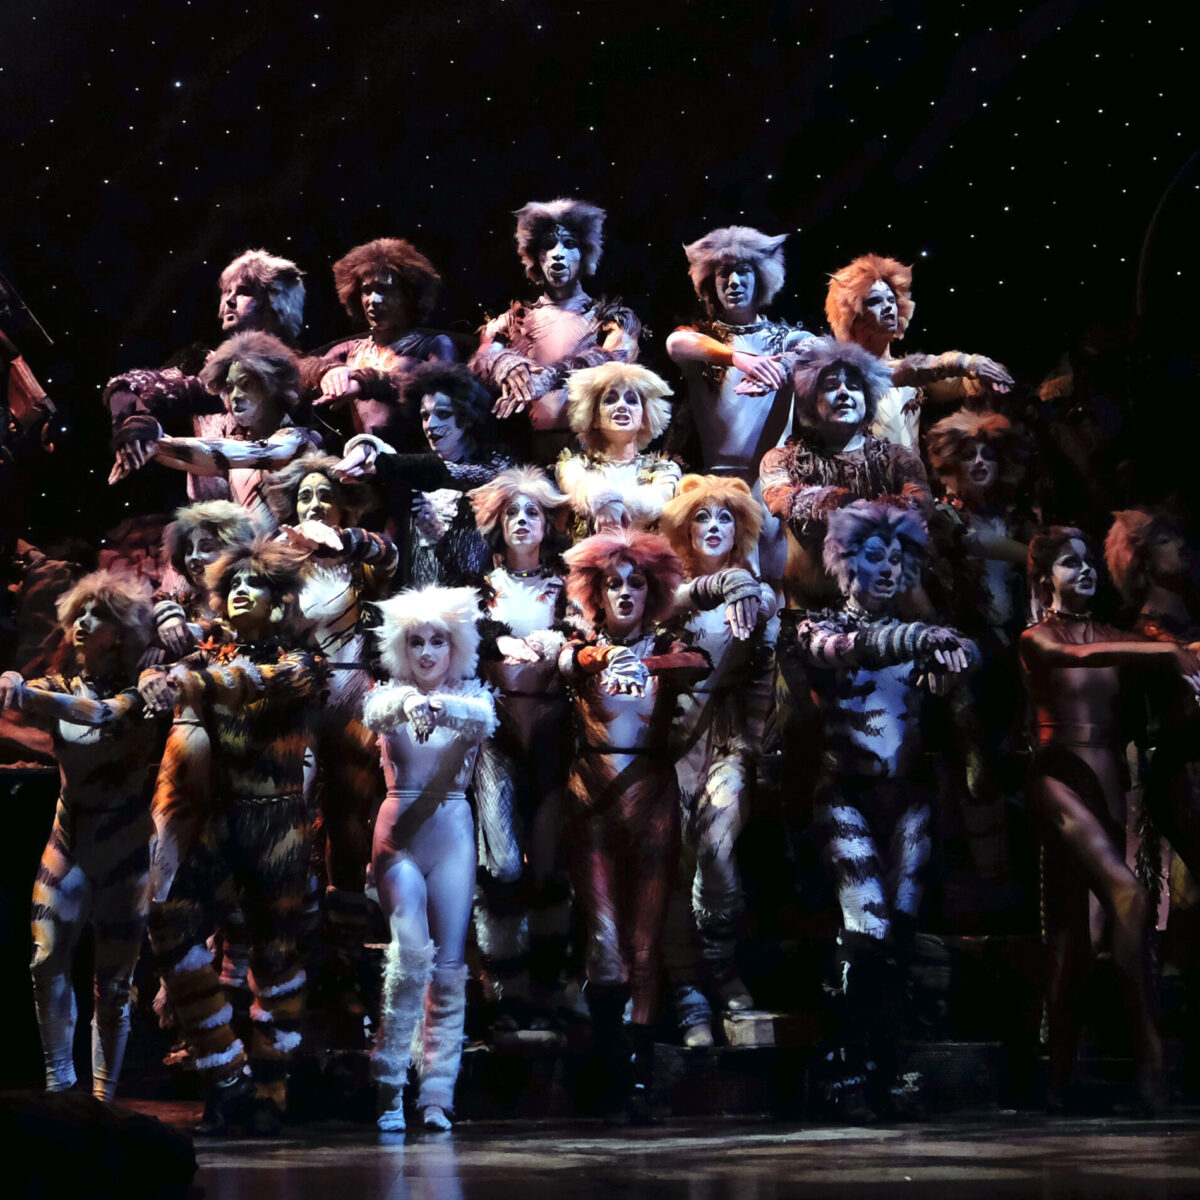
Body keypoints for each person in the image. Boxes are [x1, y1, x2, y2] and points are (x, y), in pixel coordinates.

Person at [791, 501, 977, 1119]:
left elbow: (969, 657)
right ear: (846, 563)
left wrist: (952, 659)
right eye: (875, 557)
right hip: (847, 795)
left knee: (898, 934)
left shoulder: (922, 635)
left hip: (910, 799)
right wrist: (923, 638)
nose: (889, 569)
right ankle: (842, 1067)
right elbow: (847, 649)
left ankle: (885, 1065)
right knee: (865, 928)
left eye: (897, 559)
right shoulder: (817, 626)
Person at [141, 539, 325, 1136]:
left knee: (275, 956)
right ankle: (226, 1075)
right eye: (234, 584)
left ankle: (271, 1093)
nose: (242, 591)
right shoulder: (205, 652)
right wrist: (157, 671)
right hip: (220, 822)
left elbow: (251, 681)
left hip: (278, 826)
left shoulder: (303, 660)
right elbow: (161, 663)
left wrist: (189, 682)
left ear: (280, 601)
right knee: (169, 924)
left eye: (256, 584)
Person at [1020, 526, 1200, 1113]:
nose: (1085, 570)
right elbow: (1079, 657)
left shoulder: (1120, 634)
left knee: (1078, 936)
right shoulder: (1037, 637)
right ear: (1045, 578)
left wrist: (1184, 652)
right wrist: (1165, 651)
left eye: (1088, 561)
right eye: (1069, 563)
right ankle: (1151, 1060)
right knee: (1129, 897)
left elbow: (1161, 656)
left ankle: (1058, 1075)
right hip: (1058, 776)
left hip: (1107, 780)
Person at [559, 529, 709, 1120]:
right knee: (604, 941)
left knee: (645, 944)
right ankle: (607, 1067)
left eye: (636, 584)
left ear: (654, 591)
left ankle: (639, 1072)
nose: (625, 593)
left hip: (652, 797)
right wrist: (601, 656)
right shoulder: (580, 641)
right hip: (591, 797)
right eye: (614, 584)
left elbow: (698, 663)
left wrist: (642, 661)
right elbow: (564, 661)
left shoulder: (669, 644)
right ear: (596, 592)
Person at [1, 571, 159, 1102]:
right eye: (80, 614)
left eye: (99, 616)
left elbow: (96, 714)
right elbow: (32, 695)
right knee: (45, 960)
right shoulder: (60, 683)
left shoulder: (141, 689)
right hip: (67, 840)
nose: (85, 623)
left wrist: (25, 692)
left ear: (121, 632)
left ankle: (103, 1101)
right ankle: (59, 1086)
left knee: (113, 984)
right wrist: (11, 677)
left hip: (125, 845)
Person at [263, 455, 398, 1006]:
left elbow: (390, 557)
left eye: (324, 495)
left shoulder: (360, 561)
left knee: (349, 816)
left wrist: (345, 540)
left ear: (343, 507)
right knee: (293, 808)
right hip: (301, 694)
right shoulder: (279, 562)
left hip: (353, 691)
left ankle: (347, 956)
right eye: (305, 496)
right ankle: (296, 942)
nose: (314, 505)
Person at [363, 585, 497, 1132]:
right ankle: (390, 1084)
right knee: (410, 955)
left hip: (452, 835)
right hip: (399, 835)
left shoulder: (474, 699)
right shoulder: (388, 696)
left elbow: (481, 719)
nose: (426, 652)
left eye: (437, 641)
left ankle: (437, 1095)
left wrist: (441, 705)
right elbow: (376, 712)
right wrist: (409, 703)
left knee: (448, 967)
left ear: (455, 646)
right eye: (416, 641)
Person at [658, 475, 777, 1043]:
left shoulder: (760, 596)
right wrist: (723, 584)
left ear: (741, 528)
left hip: (726, 741)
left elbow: (765, 680)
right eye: (701, 517)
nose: (712, 526)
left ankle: (720, 966)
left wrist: (756, 745)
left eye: (724, 517)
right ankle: (685, 986)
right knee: (672, 860)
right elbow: (667, 606)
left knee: (718, 850)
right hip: (668, 742)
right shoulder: (665, 591)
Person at [467, 467, 573, 1028]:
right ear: (499, 524)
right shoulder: (480, 589)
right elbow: (463, 638)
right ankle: (505, 987)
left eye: (533, 512)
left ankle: (550, 987)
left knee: (549, 864)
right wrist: (497, 639)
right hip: (499, 736)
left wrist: (563, 642)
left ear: (548, 523)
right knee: (504, 863)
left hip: (554, 733)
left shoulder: (567, 585)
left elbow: (585, 635)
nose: (523, 521)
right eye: (513, 513)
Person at [665, 225, 814, 583]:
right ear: (710, 282)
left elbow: (819, 349)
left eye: (743, 271)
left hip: (774, 481)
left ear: (761, 277)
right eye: (723, 273)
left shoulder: (785, 338)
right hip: (717, 483)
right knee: (722, 582)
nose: (733, 281)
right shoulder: (702, 339)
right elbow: (675, 344)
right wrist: (739, 358)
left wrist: (781, 365)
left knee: (774, 584)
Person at [924, 410, 1033, 887]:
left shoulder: (1018, 517)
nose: (981, 462)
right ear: (950, 465)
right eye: (969, 455)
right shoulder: (941, 516)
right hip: (963, 649)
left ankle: (1011, 870)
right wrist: (1039, 553)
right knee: (972, 759)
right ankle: (986, 875)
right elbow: (970, 545)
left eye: (988, 454)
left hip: (1017, 646)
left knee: (1012, 747)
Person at [103, 250, 306, 482]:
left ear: (274, 301)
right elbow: (132, 387)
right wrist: (135, 423)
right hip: (213, 498)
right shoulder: (201, 362)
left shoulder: (296, 368)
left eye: (243, 291)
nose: (229, 300)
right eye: (227, 291)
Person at [759, 337, 931, 610]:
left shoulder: (899, 459)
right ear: (811, 400)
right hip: (810, 611)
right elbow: (781, 500)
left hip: (885, 610)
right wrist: (843, 503)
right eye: (830, 386)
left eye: (854, 386)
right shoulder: (782, 460)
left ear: (868, 398)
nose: (843, 393)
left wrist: (864, 511)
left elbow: (920, 503)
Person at [471, 198, 642, 464]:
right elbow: (481, 357)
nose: (558, 253)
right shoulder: (514, 320)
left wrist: (548, 377)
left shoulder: (612, 317)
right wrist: (503, 362)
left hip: (594, 452)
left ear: (584, 253)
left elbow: (616, 358)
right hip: (529, 452)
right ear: (535, 255)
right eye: (548, 245)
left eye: (569, 244)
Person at [108, 331, 319, 530]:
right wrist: (148, 440)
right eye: (229, 388)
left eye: (246, 384)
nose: (235, 396)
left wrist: (160, 441)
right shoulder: (236, 459)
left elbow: (238, 453)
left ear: (271, 386)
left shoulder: (296, 438)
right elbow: (200, 458)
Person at [338, 362, 513, 586]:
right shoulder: (414, 473)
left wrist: (383, 464)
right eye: (425, 416)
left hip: (475, 600)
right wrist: (366, 447)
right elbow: (399, 460)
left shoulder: (495, 465)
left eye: (443, 414)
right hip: (416, 599)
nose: (430, 425)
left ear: (467, 417)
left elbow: (451, 473)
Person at [824, 254, 1013, 452]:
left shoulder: (915, 376)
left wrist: (988, 376)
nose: (888, 306)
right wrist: (964, 362)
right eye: (874, 301)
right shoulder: (840, 374)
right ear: (851, 314)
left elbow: (964, 385)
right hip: (859, 470)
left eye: (891, 299)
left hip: (910, 471)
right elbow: (895, 372)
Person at [303, 237, 456, 453]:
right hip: (362, 460)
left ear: (409, 294)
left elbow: (444, 387)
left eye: (384, 289)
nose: (373, 300)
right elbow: (300, 370)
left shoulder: (434, 345)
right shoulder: (351, 349)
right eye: (366, 290)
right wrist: (326, 372)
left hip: (417, 461)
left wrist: (367, 381)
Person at [556, 361, 680, 535]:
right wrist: (603, 499)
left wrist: (611, 504)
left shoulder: (665, 469)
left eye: (631, 401)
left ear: (644, 418)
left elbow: (657, 501)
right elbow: (578, 484)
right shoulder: (574, 465)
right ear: (595, 418)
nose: (622, 406)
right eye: (610, 400)